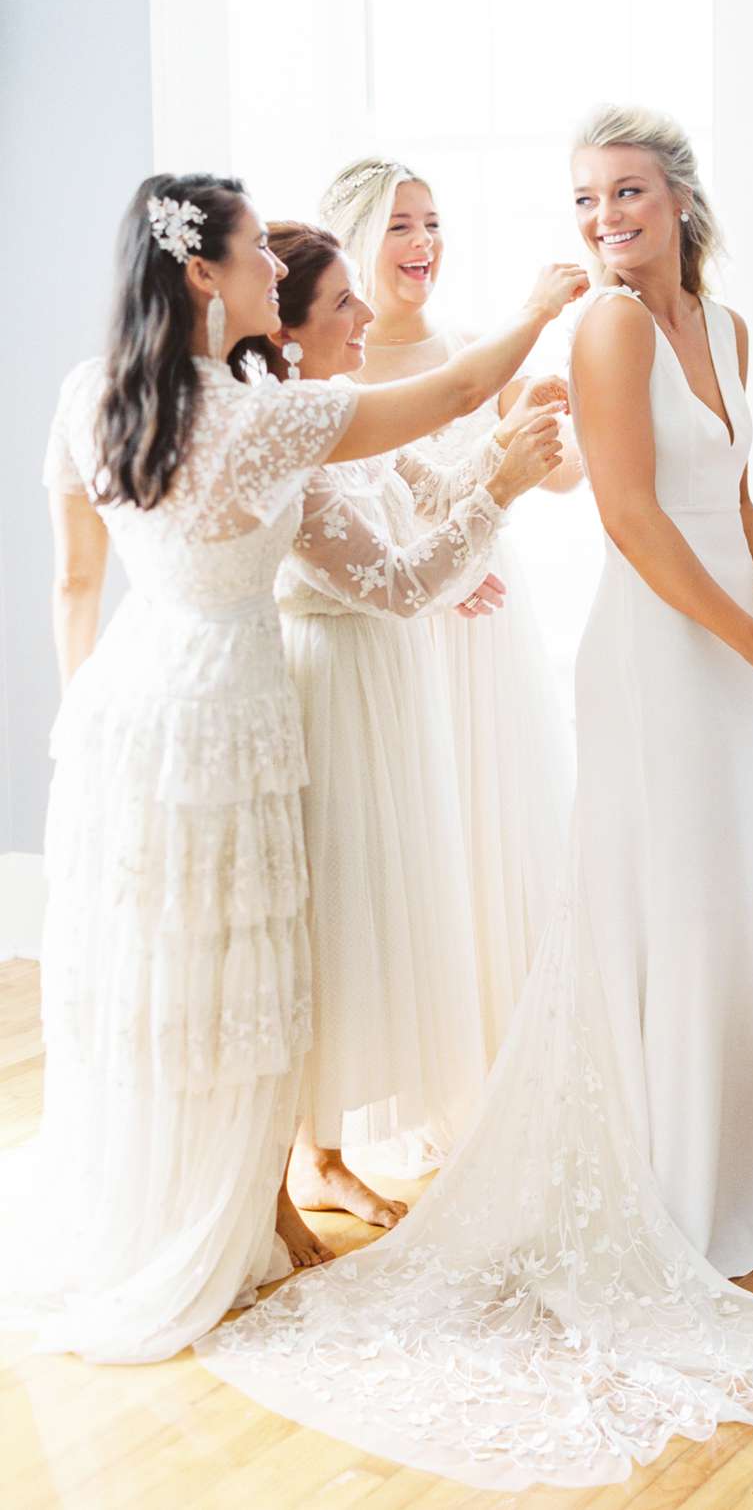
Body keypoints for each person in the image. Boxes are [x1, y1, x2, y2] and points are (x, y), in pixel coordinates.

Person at [197, 111, 753, 1490]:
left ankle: (721, 1183)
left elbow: (727, 485)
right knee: (661, 903)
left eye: (625, 190)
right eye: (583, 198)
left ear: (681, 197)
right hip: (655, 655)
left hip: (728, 657)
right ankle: (663, 1194)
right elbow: (630, 515)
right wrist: (749, 635)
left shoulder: (727, 329)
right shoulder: (611, 331)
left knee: (721, 905)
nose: (602, 216)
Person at [1, 171, 586, 1361]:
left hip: (123, 706)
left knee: (156, 962)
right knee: (237, 970)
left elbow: (72, 583)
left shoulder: (88, 395)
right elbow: (459, 398)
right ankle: (228, 1215)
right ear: (203, 274)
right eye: (257, 254)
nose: (278, 267)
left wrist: (83, 723)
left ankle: (208, 1200)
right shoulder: (267, 420)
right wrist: (534, 324)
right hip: (224, 705)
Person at [241, 222, 565, 1232]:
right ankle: (285, 1161)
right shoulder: (282, 442)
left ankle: (325, 1152)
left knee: (369, 903)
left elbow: (433, 495)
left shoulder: (343, 412)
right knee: (327, 922)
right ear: (288, 330)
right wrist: (496, 499)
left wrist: (499, 468)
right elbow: (394, 583)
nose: (368, 316)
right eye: (343, 303)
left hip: (389, 687)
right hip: (331, 689)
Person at [321, 161, 574, 1058]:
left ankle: (501, 1049)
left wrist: (540, 418)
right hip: (391, 618)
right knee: (410, 843)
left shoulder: (474, 345)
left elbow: (560, 473)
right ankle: (420, 1056)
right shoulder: (330, 375)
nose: (423, 242)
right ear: (351, 242)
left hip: (482, 618)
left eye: (432, 221)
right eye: (399, 225)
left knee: (487, 820)